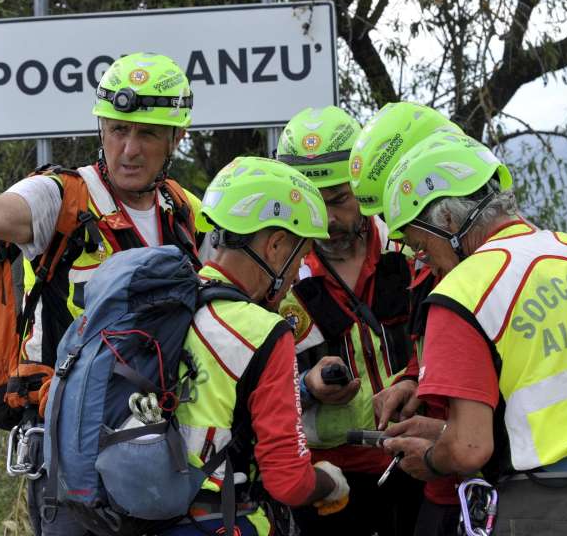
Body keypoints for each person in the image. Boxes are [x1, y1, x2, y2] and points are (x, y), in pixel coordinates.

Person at [0, 52, 205, 536]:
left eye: (146, 133)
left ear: (177, 139)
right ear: (100, 127)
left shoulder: (184, 211)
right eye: (117, 129)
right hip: (69, 450)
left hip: (158, 442)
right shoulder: (60, 197)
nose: (128, 148)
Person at [378, 131, 567, 535]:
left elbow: (468, 448)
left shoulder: (461, 292)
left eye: (419, 244)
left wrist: (430, 458)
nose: (423, 260)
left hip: (544, 507)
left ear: (448, 220)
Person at [164, 156, 350, 535]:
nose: (297, 273)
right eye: (299, 257)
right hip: (222, 520)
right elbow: (289, 481)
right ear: (276, 245)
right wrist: (331, 481)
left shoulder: (170, 302)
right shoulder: (262, 331)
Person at [272, 105, 423, 535]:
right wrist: (307, 387)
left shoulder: (410, 246)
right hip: (326, 480)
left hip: (420, 462)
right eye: (312, 204)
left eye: (339, 200)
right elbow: (245, 380)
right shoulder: (275, 269)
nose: (327, 221)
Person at [349, 101, 468, 535]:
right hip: (438, 482)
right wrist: (412, 380)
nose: (400, 235)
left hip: (482, 482)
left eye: (404, 216)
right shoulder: (430, 255)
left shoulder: (484, 268)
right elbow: (434, 344)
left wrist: (445, 439)